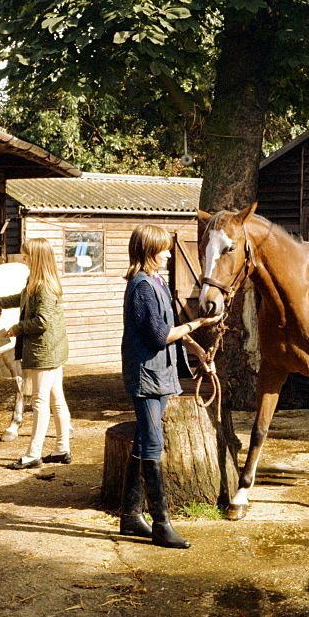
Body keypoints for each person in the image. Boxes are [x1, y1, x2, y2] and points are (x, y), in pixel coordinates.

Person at [120, 223, 223, 549]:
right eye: (163, 248)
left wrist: (198, 352)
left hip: (160, 374)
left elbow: (172, 327)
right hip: (146, 376)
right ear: (149, 250)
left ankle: (130, 517)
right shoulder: (141, 288)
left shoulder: (158, 283)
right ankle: (162, 524)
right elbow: (160, 336)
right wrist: (200, 323)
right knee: (151, 444)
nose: (168, 253)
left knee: (142, 441)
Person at [0, 237, 71, 470]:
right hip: (52, 349)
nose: (24, 259)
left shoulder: (44, 287)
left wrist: (16, 329)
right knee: (57, 400)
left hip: (44, 351)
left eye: (27, 256)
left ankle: (33, 454)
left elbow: (41, 322)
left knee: (40, 402)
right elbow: (22, 300)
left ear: (37, 258)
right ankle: (62, 448)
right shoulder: (36, 281)